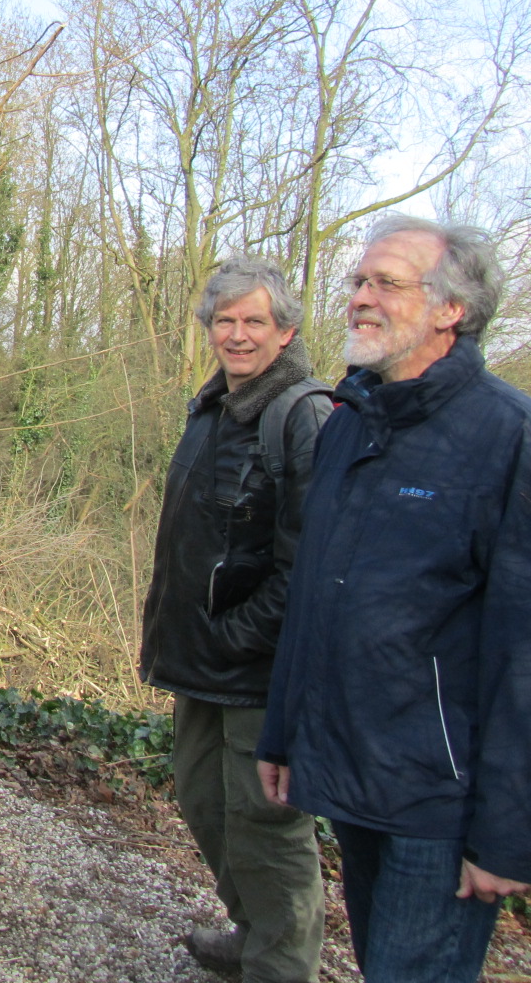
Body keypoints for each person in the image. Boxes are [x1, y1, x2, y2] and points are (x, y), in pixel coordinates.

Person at [257, 214, 531, 983]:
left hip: (440, 806)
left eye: (386, 283)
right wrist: (284, 733)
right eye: (358, 281)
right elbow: (313, 597)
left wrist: (508, 832)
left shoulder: (513, 438)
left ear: (452, 308)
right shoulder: (350, 426)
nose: (359, 297)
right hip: (355, 779)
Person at [140, 254, 332, 982]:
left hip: (260, 669)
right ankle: (252, 934)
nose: (238, 334)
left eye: (255, 321)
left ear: (286, 332)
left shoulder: (303, 415)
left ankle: (280, 965)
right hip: (200, 656)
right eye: (225, 320)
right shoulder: (214, 405)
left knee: (266, 825)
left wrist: (239, 637)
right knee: (204, 803)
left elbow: (309, 563)